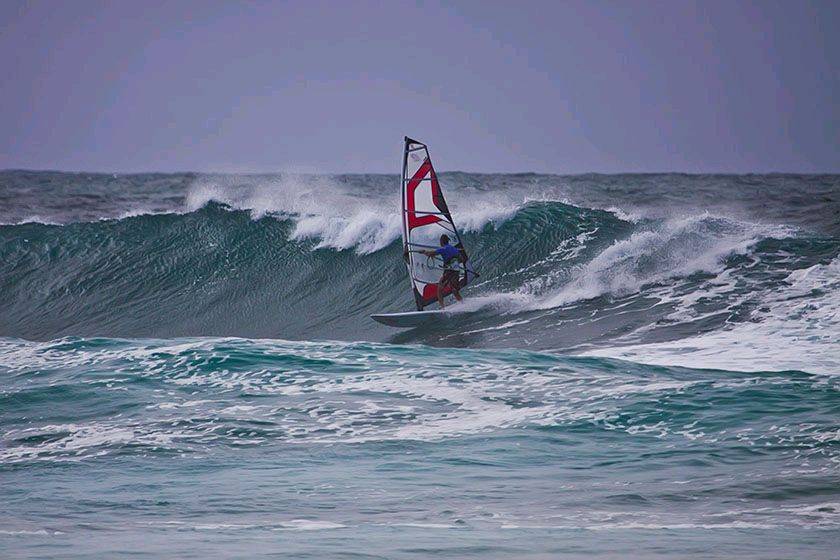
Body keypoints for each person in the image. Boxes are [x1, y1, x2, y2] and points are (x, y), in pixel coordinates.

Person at [421, 234, 463, 309]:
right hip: (456, 270)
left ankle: (443, 307)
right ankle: (462, 303)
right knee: (454, 289)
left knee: (439, 288)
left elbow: (431, 253)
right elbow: (461, 259)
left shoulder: (443, 249)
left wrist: (424, 252)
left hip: (449, 270)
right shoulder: (453, 248)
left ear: (441, 242)